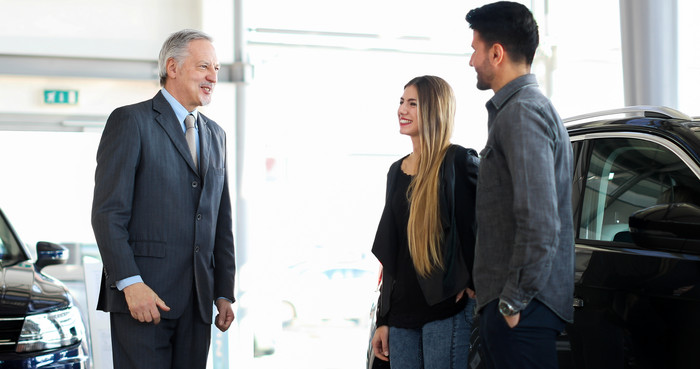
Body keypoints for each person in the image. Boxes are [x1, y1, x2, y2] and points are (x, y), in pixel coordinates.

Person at [91, 29, 236, 369]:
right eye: (204, 67)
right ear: (173, 67)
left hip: (199, 302)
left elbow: (221, 219)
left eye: (216, 68)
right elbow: (108, 214)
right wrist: (130, 283)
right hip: (143, 298)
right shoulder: (130, 121)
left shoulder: (216, 135)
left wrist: (223, 290)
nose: (213, 77)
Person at [465, 2, 574, 369]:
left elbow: (540, 220)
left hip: (522, 314)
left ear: (496, 53)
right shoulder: (522, 110)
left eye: (474, 49)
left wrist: (512, 302)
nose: (471, 61)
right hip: (520, 311)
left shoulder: (522, 112)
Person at [370, 75, 480, 369]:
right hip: (402, 315)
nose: (402, 110)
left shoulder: (458, 162)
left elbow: (482, 229)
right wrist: (383, 319)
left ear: (434, 109)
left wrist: (472, 283)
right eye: (401, 102)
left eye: (413, 103)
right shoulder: (395, 171)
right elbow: (392, 254)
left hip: (447, 308)